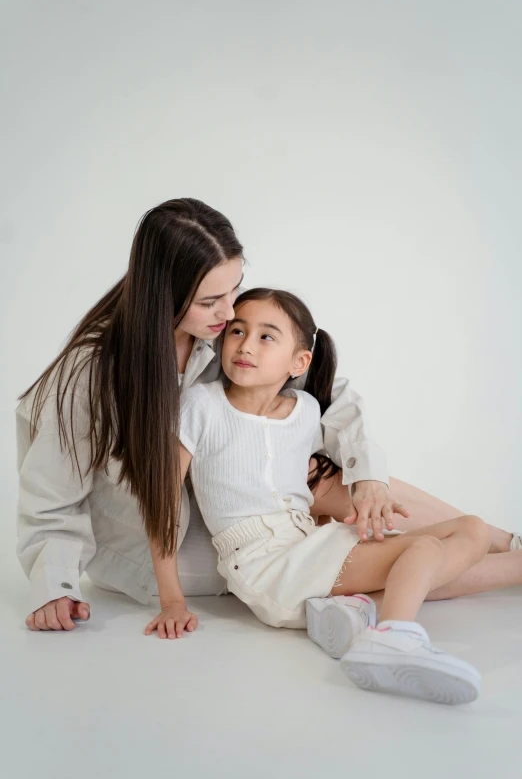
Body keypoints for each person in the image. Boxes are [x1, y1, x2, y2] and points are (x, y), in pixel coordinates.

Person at [16, 198, 520, 633]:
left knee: (324, 472)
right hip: (177, 546)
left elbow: (333, 399)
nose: (229, 311)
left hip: (265, 513)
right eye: (211, 300)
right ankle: (497, 561)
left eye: (234, 288)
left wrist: (369, 476)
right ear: (161, 297)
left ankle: (504, 542)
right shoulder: (92, 372)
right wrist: (53, 585)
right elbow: (52, 500)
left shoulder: (224, 337)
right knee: (393, 560)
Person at [145, 288, 490, 705]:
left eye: (266, 336)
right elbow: (161, 504)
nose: (245, 345)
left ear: (300, 362)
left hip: (307, 543)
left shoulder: (306, 410)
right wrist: (172, 601)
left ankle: (355, 610)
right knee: (422, 550)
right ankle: (393, 639)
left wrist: (352, 512)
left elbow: (297, 485)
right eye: (237, 331)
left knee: (472, 530)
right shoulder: (201, 405)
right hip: (261, 564)